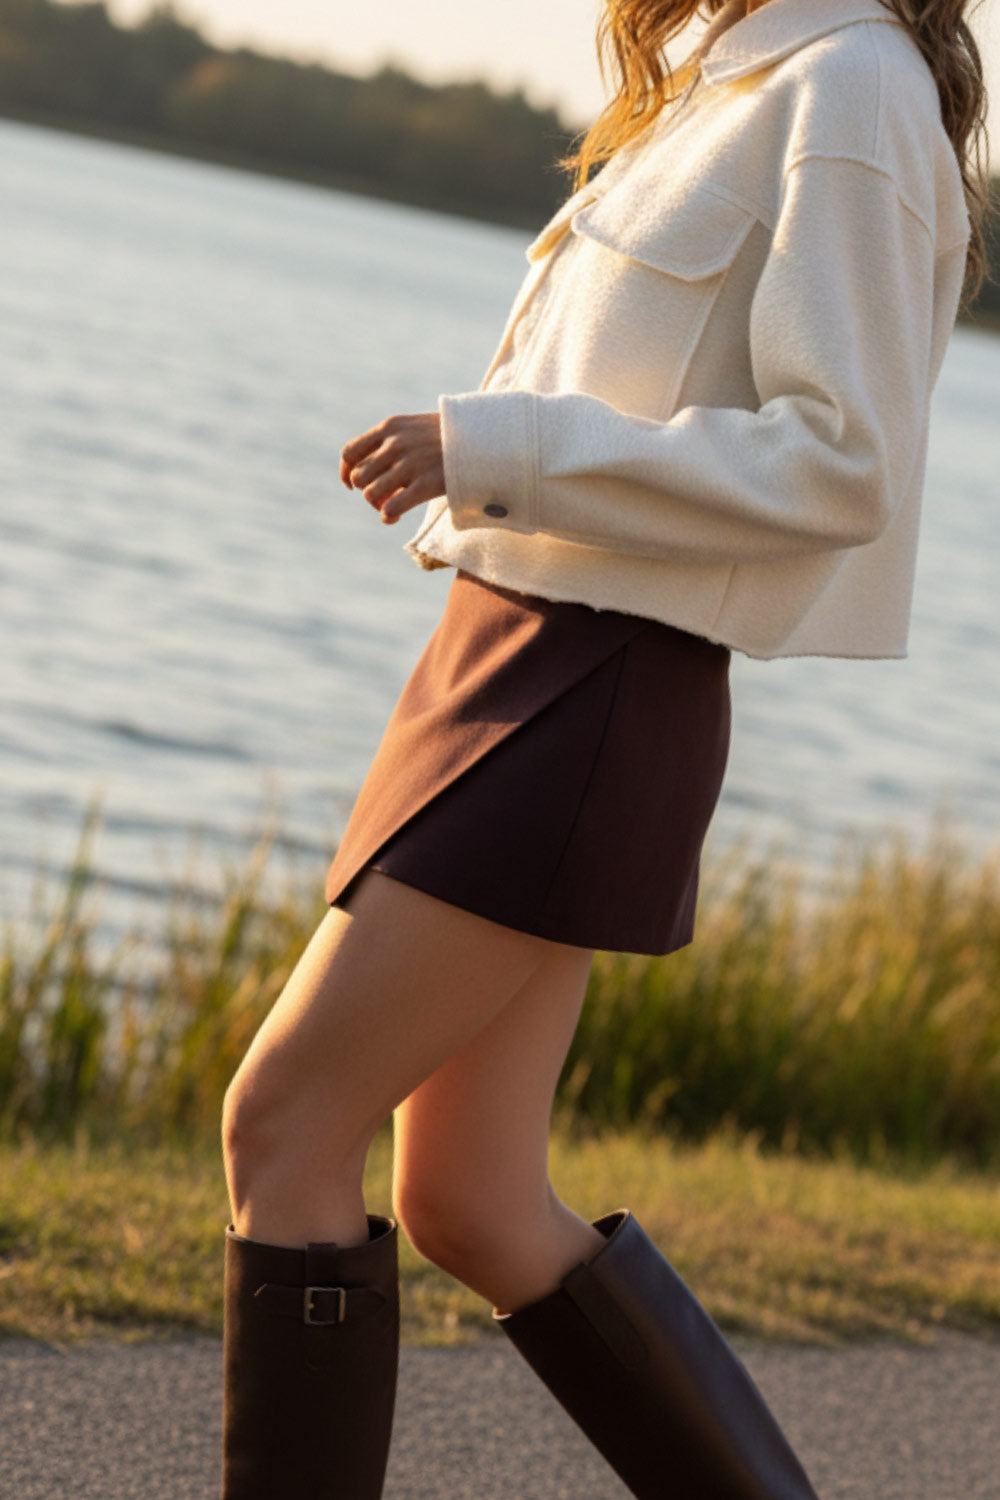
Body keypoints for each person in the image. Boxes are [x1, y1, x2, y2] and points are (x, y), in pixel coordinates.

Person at [217, 0, 988, 1494]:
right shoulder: (726, 76)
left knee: (287, 1123)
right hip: (508, 651)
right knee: (476, 1200)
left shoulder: (856, 89)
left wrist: (497, 442)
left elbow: (845, 464)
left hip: (594, 686)